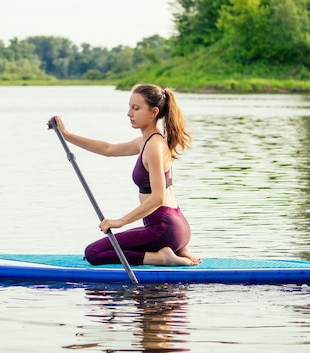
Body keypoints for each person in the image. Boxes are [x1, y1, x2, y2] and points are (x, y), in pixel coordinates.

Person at [49, 84, 200, 266]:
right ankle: (177, 249)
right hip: (177, 227)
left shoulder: (153, 146)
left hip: (164, 228)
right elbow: (108, 149)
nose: (129, 113)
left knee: (93, 253)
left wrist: (120, 221)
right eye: (129, 107)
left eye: (136, 108)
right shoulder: (149, 141)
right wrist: (66, 135)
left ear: (153, 112)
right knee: (108, 249)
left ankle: (161, 258)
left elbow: (158, 197)